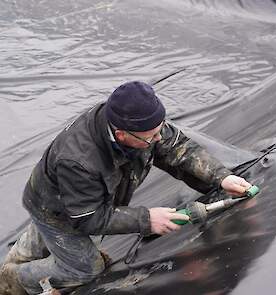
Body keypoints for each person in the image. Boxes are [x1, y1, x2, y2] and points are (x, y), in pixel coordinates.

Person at [0, 81, 251, 295]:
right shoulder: (78, 160)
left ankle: (17, 261)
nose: (158, 139)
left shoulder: (142, 125)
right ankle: (14, 279)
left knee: (46, 238)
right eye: (151, 137)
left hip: (68, 195)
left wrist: (221, 177)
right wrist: (146, 219)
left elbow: (178, 150)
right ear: (121, 135)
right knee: (86, 268)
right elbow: (88, 217)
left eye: (159, 131)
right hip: (57, 208)